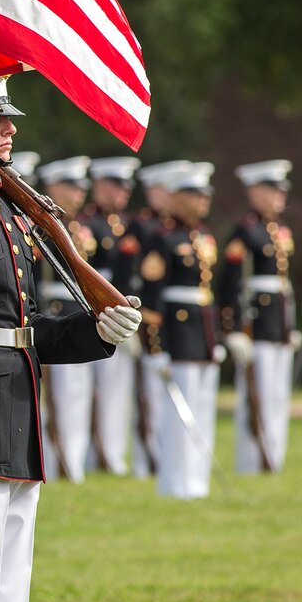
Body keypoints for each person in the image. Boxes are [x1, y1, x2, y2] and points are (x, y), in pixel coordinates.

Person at [0, 71, 141, 602]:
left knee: (10, 577)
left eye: (8, 119)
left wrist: (94, 330)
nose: (9, 129)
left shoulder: (9, 213)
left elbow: (25, 326)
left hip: (16, 404)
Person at [140, 161, 221, 499]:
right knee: (178, 414)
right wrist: (155, 348)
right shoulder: (163, 238)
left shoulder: (202, 236)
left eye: (205, 194)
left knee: (202, 408)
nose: (204, 200)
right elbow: (151, 300)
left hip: (201, 332)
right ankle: (175, 482)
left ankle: (197, 480)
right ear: (176, 197)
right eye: (195, 194)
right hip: (177, 333)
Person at [217, 159, 297, 474]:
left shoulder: (278, 232)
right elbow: (231, 284)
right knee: (256, 396)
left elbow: (284, 287)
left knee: (277, 395)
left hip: (278, 324)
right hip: (257, 324)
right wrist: (233, 328)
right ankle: (251, 461)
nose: (280, 196)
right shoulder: (245, 232)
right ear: (255, 191)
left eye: (281, 190)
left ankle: (273, 455)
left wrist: (290, 325)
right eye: (273, 190)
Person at [117, 160, 190, 478]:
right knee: (145, 393)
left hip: (166, 318)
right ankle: (146, 459)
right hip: (142, 314)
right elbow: (124, 275)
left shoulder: (177, 231)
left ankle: (161, 456)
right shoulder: (142, 227)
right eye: (164, 190)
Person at [80, 156, 142, 475]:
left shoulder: (124, 225)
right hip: (95, 310)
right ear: (101, 185)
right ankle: (89, 455)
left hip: (119, 312)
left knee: (117, 391)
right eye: (117, 185)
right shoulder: (87, 224)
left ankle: (113, 454)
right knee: (83, 391)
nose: (123, 193)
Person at [35, 156, 95, 484]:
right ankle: (58, 460)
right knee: (57, 397)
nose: (78, 193)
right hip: (55, 313)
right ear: (54, 187)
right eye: (71, 187)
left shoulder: (78, 228)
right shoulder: (42, 226)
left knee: (78, 395)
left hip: (78, 312)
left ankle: (74, 460)